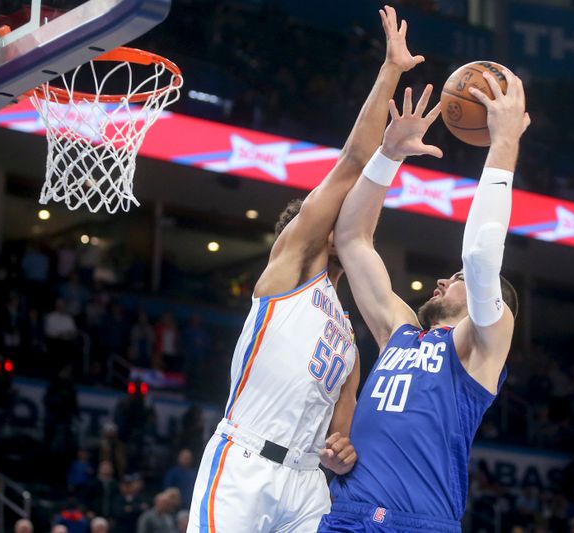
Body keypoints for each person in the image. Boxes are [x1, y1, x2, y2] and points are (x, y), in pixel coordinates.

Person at [187, 7, 423, 531]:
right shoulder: (291, 270)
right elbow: (352, 164)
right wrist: (390, 71)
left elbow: (341, 435)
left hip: (307, 484)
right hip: (244, 463)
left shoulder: (346, 334)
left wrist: (341, 451)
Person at [316, 66, 529, 532]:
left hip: (418, 523)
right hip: (344, 515)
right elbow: (352, 239)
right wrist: (387, 155)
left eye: (453, 280)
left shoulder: (480, 348)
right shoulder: (401, 331)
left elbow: (478, 256)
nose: (441, 282)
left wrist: (504, 141)